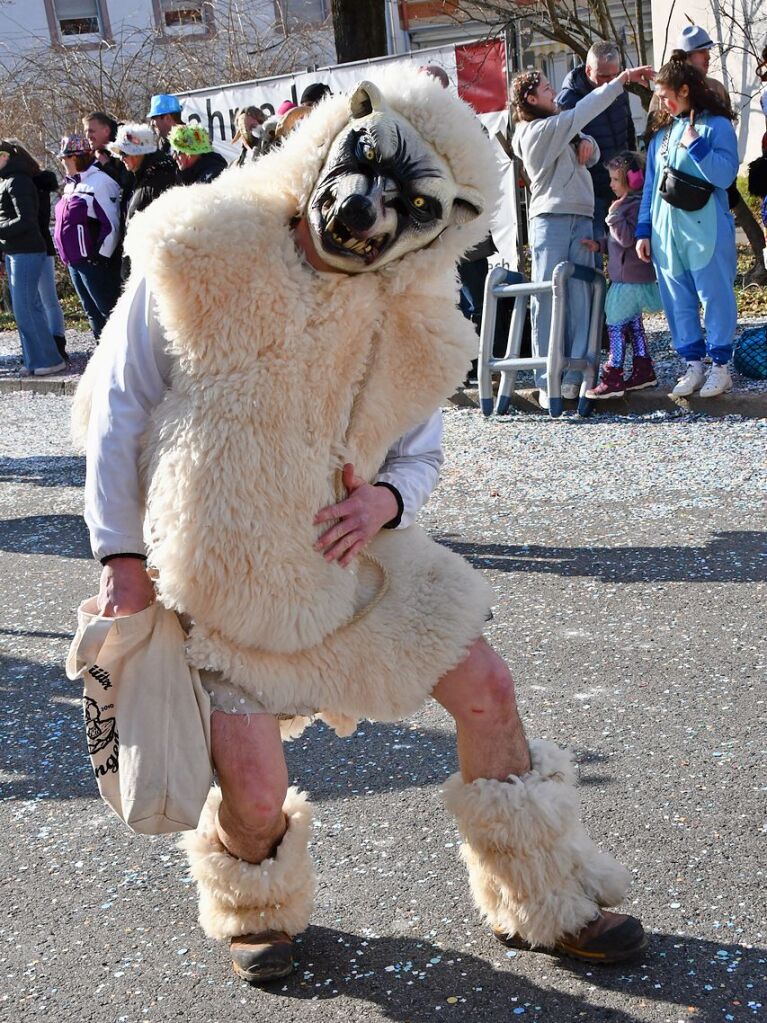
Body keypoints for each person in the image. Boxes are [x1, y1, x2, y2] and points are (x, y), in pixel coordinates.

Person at [74, 72, 646, 986]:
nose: (369, 211)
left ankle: (542, 895)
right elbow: (116, 413)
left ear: (442, 219)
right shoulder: (199, 249)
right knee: (254, 793)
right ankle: (254, 905)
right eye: (368, 167)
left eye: (410, 203)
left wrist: (384, 502)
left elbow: (418, 457)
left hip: (355, 563)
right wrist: (121, 557)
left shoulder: (413, 317)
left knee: (486, 686)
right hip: (218, 571)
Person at [511, 64, 654, 408]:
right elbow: (581, 111)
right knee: (548, 296)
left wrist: (587, 143)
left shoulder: (560, 126)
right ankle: (549, 379)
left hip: (582, 214)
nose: (553, 93)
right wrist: (620, 82)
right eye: (546, 89)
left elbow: (591, 152)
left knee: (581, 297)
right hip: (551, 220)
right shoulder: (533, 131)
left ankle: (578, 375)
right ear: (530, 99)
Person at [636, 51, 739, 398]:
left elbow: (724, 176)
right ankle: (692, 364)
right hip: (667, 232)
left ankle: (720, 366)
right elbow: (650, 186)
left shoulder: (718, 125)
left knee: (715, 295)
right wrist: (643, 230)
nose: (661, 104)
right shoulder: (661, 135)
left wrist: (697, 145)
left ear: (683, 90)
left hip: (705, 228)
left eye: (665, 96)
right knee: (677, 299)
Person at [650, 26, 767, 281]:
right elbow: (657, 143)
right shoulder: (662, 92)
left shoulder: (715, 87)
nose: (708, 56)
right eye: (703, 51)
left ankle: (759, 263)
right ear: (687, 55)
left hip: (715, 182)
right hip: (678, 192)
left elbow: (724, 135)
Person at [583, 152, 662, 397]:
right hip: (631, 279)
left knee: (615, 325)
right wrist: (601, 246)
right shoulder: (628, 206)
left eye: (615, 180)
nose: (611, 184)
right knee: (634, 325)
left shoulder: (634, 207)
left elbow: (627, 238)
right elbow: (618, 243)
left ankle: (613, 375)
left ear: (632, 181)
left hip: (629, 282)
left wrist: (613, 216)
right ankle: (643, 369)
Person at [557, 42, 637, 253]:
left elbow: (628, 129)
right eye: (603, 77)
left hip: (621, 184)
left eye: (614, 76)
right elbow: (561, 137)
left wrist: (633, 168)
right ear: (588, 70)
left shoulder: (619, 89)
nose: (609, 83)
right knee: (592, 254)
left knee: (624, 251)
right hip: (591, 192)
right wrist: (579, 141)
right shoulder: (569, 99)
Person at [0, 140, 65, 375]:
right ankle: (33, 361)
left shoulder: (18, 180)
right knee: (24, 310)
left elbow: (26, 220)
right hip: (16, 251)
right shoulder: (7, 180)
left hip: (27, 251)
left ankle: (49, 360)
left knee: (28, 308)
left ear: (7, 155)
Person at [54, 134, 121, 341]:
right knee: (91, 312)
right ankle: (102, 359)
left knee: (109, 313)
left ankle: (123, 361)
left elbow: (112, 224)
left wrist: (100, 257)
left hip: (93, 263)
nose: (62, 161)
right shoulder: (69, 185)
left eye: (63, 157)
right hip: (74, 262)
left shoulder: (100, 182)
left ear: (74, 157)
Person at [108, 123, 178, 279]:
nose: (121, 158)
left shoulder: (157, 181)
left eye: (125, 153)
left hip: (153, 268)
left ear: (139, 153)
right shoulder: (142, 177)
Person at [32, 160, 67, 362]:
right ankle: (56, 341)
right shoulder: (41, 184)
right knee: (47, 299)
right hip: (43, 245)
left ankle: (55, 343)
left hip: (38, 247)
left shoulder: (31, 185)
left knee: (45, 300)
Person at [82, 111, 131, 192]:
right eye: (86, 131)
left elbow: (125, 184)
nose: (87, 136)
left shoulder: (126, 145)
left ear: (106, 131)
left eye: (91, 131)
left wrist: (106, 165)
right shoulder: (94, 152)